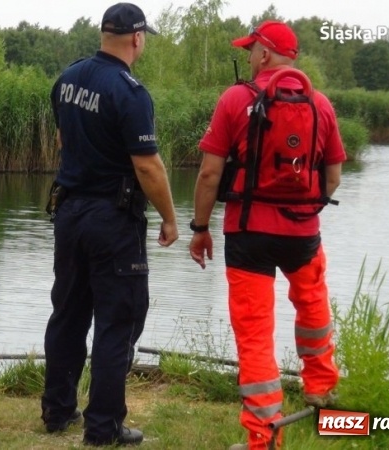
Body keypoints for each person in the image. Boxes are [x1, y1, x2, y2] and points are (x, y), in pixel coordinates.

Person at [188, 21, 344, 450]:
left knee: (256, 333)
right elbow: (333, 176)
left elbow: (209, 174)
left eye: (253, 48)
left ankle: (264, 437)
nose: (251, 54)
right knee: (313, 309)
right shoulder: (321, 105)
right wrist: (306, 211)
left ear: (264, 54)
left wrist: (200, 228)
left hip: (247, 233)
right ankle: (322, 395)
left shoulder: (235, 99)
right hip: (303, 234)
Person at [40, 3, 178, 447]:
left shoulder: (67, 78)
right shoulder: (130, 92)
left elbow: (64, 139)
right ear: (137, 38)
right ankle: (104, 427)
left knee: (68, 313)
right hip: (112, 220)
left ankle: (57, 411)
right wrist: (171, 218)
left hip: (68, 213)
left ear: (104, 34)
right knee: (117, 321)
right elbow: (149, 168)